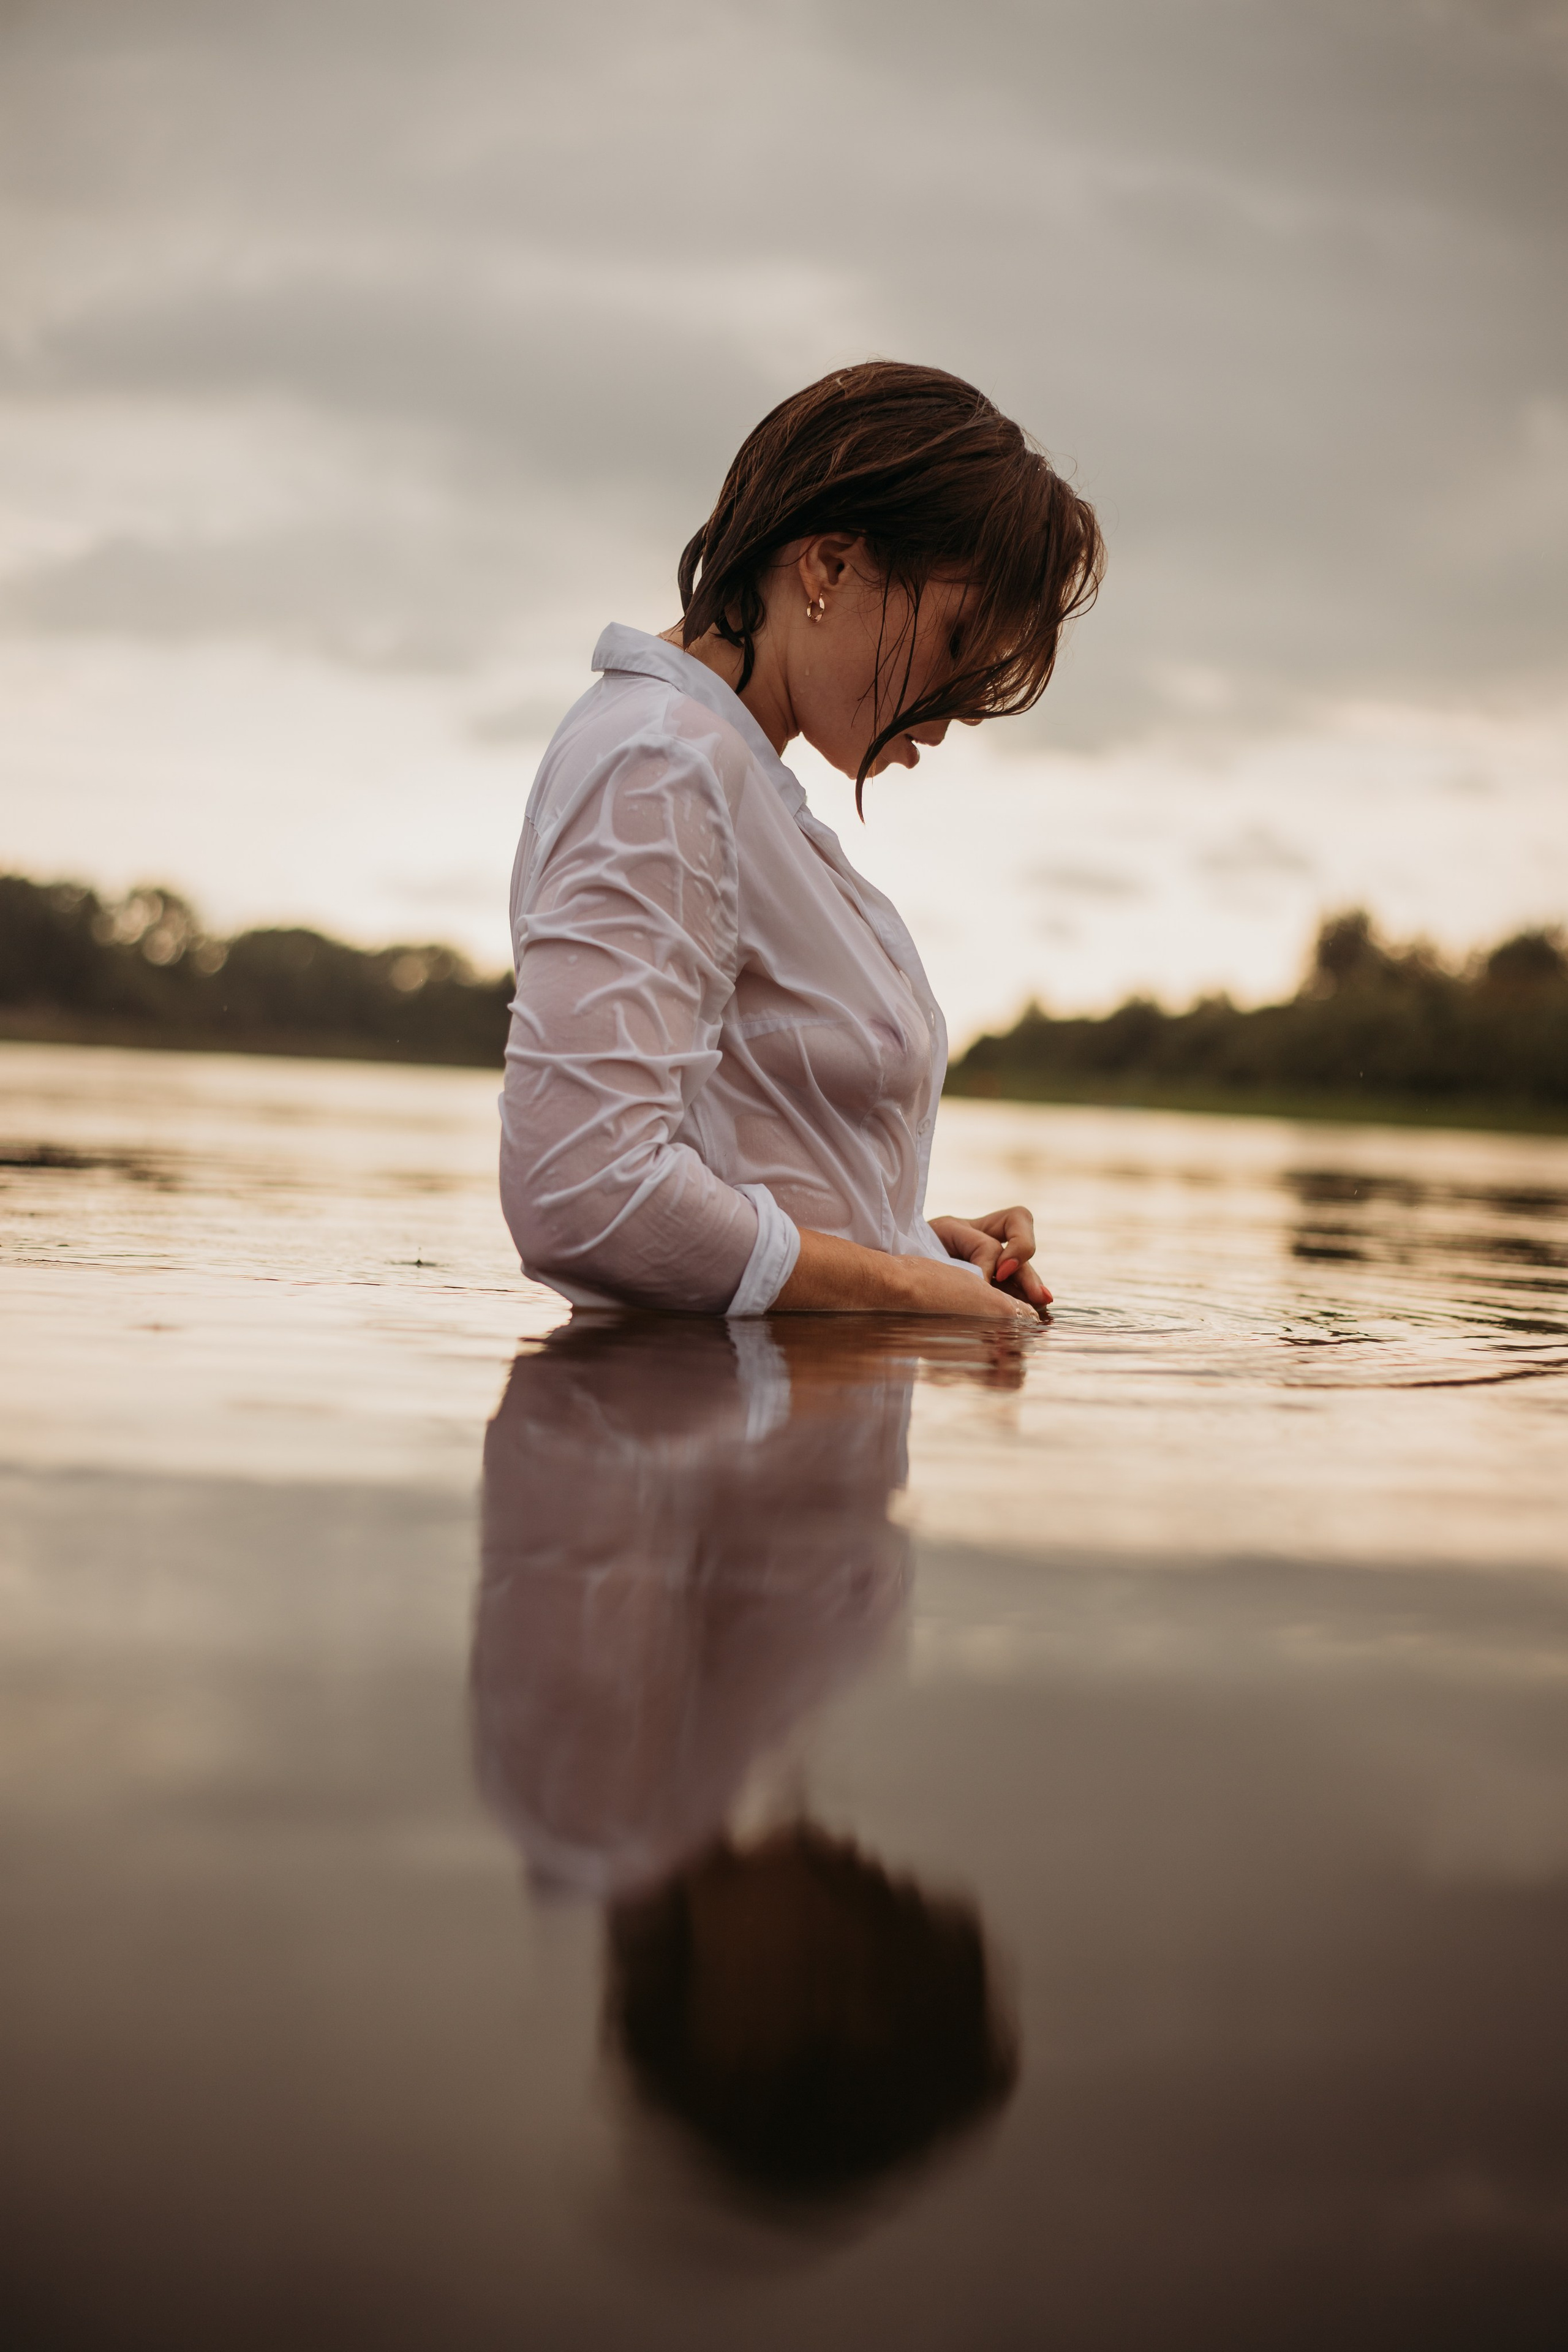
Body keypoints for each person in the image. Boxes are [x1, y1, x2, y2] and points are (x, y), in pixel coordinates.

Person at [499, 361, 1102, 1322]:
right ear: (828, 565)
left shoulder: (719, 769)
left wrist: (899, 1236)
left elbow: (710, 1151)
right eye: (959, 645)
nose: (961, 711)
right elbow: (586, 1195)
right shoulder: (664, 760)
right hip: (678, 1442)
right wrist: (905, 1289)